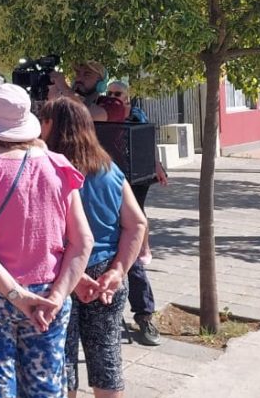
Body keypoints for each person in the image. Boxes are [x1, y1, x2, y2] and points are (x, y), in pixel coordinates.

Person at [0, 84, 94, 398]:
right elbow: (82, 241)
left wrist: (15, 295)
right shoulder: (58, 166)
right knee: (45, 383)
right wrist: (59, 295)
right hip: (49, 291)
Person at [39, 98, 147, 398]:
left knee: (62, 362)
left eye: (43, 121)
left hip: (62, 274)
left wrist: (73, 276)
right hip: (105, 275)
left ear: (51, 125)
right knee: (107, 361)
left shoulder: (48, 169)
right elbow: (137, 223)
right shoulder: (108, 168)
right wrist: (118, 270)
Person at [104, 80, 167, 346]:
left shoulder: (136, 115)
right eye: (110, 94)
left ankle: (144, 315)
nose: (113, 98)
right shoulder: (102, 114)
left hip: (135, 180)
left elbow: (147, 141)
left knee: (133, 256)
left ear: (128, 97)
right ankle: (114, 311)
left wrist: (157, 165)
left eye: (117, 94)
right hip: (111, 182)